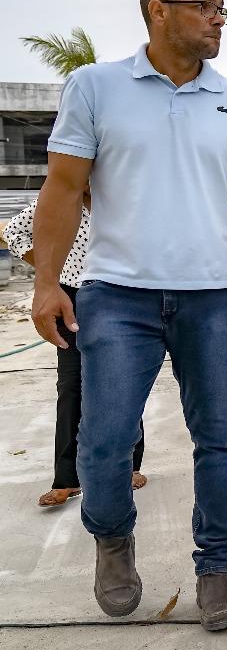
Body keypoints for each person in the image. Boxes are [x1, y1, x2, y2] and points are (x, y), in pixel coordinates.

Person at [31, 0, 227, 631]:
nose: (218, 19)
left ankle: (216, 568)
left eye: (221, 8)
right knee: (104, 440)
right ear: (158, 9)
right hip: (117, 295)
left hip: (209, 296)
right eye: (205, 6)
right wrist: (45, 283)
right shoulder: (95, 87)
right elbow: (62, 189)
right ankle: (113, 539)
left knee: (218, 438)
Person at [5, 191, 148, 508]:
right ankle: (66, 479)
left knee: (123, 382)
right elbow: (14, 232)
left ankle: (129, 466)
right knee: (71, 385)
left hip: (122, 296)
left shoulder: (123, 192)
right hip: (72, 296)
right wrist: (48, 274)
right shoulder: (57, 198)